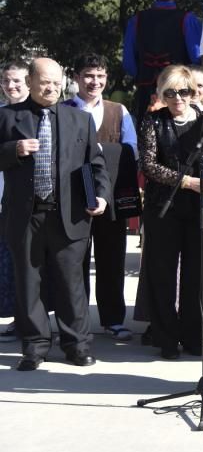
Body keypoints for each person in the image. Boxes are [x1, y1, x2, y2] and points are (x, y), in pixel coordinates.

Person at [0, 58, 109, 371]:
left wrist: (100, 196)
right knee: (28, 282)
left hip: (69, 215)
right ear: (31, 82)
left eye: (55, 82)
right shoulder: (8, 117)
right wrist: (13, 150)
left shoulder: (80, 119)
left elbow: (95, 165)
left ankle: (76, 345)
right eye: (44, 82)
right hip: (25, 215)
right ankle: (34, 346)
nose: (50, 88)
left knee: (70, 282)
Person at [65, 53, 140, 342]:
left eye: (100, 75)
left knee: (112, 259)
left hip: (110, 197)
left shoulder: (118, 111)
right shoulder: (64, 109)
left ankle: (113, 319)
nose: (94, 81)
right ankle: (77, 322)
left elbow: (131, 151)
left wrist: (97, 153)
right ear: (76, 78)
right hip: (73, 198)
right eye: (88, 75)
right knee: (74, 262)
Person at [137, 66, 203, 358]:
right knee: (162, 275)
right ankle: (166, 337)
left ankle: (193, 337)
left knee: (195, 276)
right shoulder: (153, 121)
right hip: (162, 207)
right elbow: (149, 165)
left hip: (198, 208)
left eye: (184, 92)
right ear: (161, 94)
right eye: (170, 93)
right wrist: (188, 181)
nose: (178, 98)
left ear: (193, 92)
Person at [123, 0, 201, 122]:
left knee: (144, 136)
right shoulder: (188, 19)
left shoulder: (136, 20)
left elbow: (128, 64)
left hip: (145, 91)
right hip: (179, 94)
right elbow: (197, 58)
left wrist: (144, 75)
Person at [0, 62, 29, 342]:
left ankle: (26, 319)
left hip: (27, 202)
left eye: (17, 81)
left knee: (24, 263)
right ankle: (15, 318)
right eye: (7, 81)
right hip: (4, 202)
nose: (11, 86)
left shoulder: (38, 114)